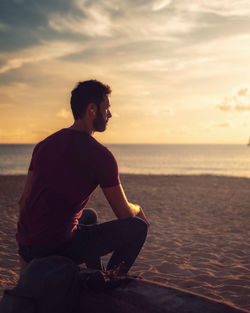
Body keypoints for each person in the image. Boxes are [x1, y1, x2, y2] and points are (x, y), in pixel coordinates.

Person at [16, 79, 149, 274]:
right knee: (138, 227)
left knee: (88, 216)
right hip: (55, 249)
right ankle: (110, 282)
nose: (110, 114)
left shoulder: (43, 145)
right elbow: (124, 214)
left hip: (27, 248)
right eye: (106, 108)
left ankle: (96, 272)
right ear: (92, 110)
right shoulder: (100, 155)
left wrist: (28, 248)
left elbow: (23, 202)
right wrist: (138, 209)